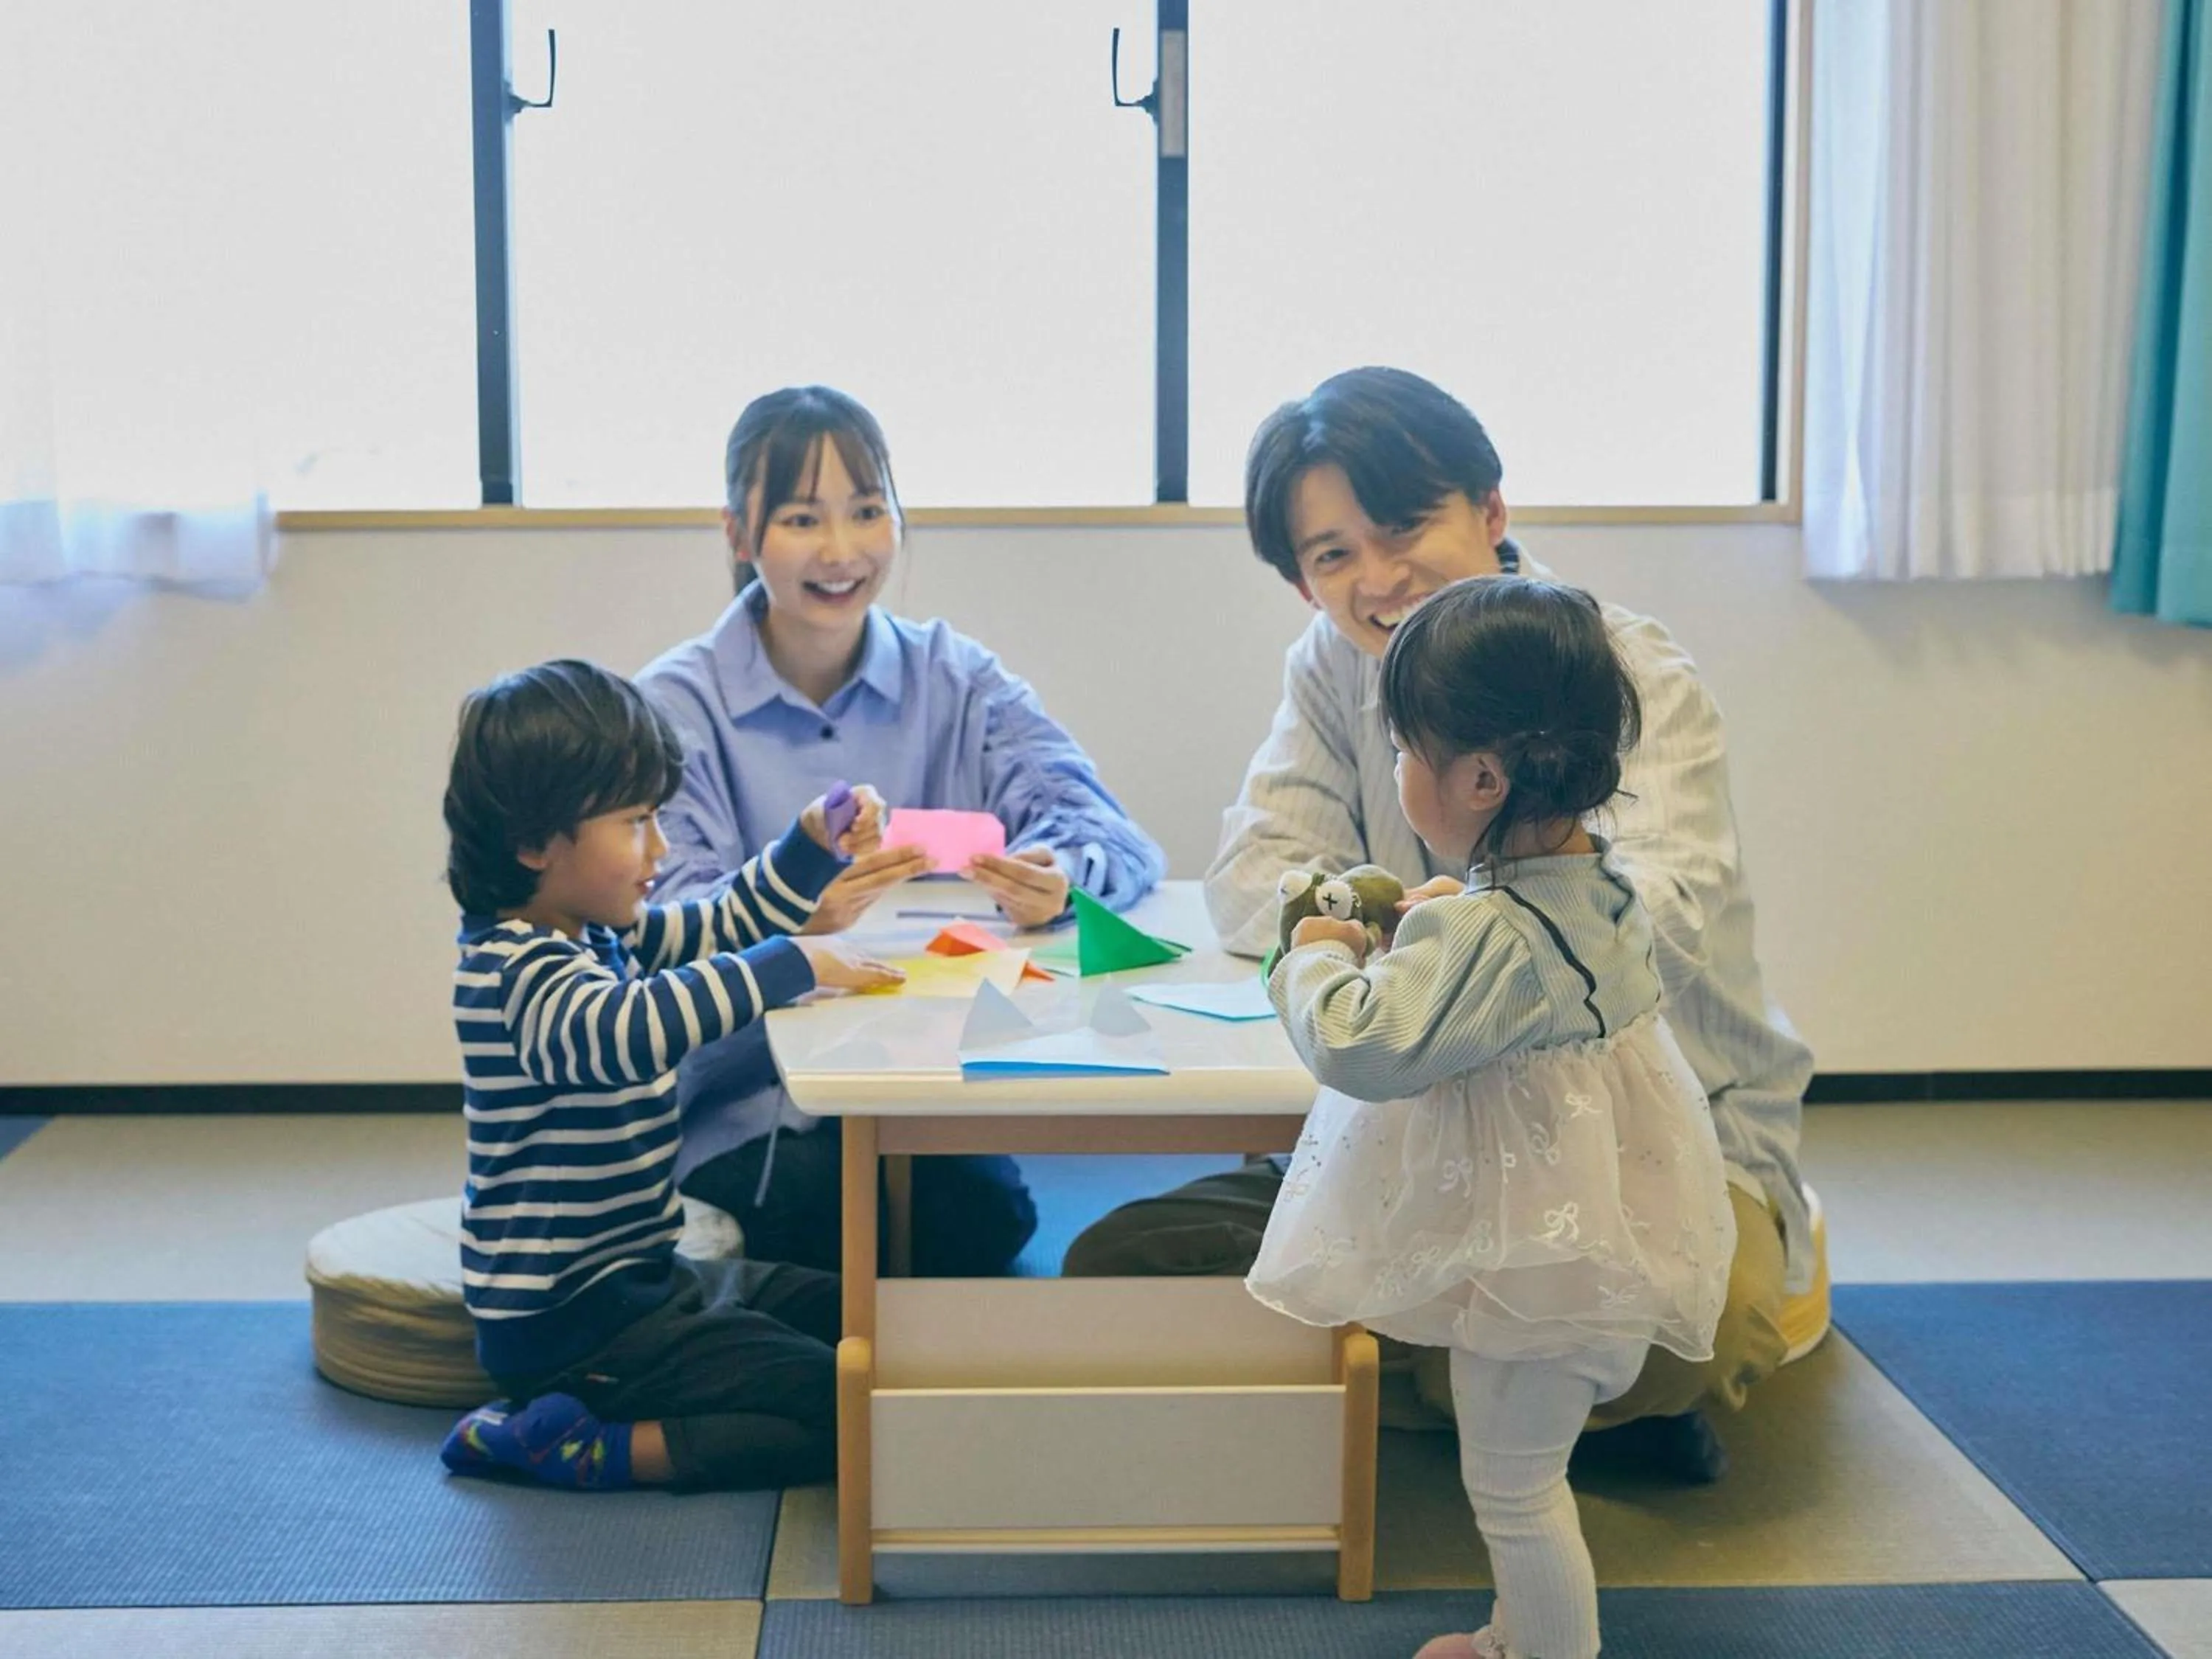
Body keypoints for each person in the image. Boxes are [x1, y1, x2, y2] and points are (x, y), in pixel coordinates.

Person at [1066, 367, 1824, 1484]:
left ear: (1493, 511)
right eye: (1331, 556)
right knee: (1106, 1268)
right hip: (1419, 1133)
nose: (1378, 579)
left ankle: (1419, 1369)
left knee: (1693, 1333)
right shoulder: (1337, 663)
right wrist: (1369, 919)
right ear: (1301, 582)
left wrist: (1455, 946)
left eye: (1405, 524)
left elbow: (1657, 916)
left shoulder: (1614, 668)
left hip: (1650, 1137)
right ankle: (1481, 1380)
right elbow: (1253, 874)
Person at [1252, 576, 1735, 1659]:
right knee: (1516, 1473)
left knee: (1517, 1491)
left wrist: (1314, 958)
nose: (1396, 769)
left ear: (1477, 775)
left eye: (1403, 750)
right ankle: (1516, 1636)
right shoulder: (1596, 884)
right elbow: (1519, 967)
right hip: (1574, 1241)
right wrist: (1447, 915)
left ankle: (1551, 1648)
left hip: (1541, 1263)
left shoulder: (1499, 935)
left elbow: (1364, 1047)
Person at [639, 386, 1166, 1276]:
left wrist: (1059, 875)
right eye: (803, 518)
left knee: (983, 1223)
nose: (842, 552)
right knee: (821, 1226)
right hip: (750, 1100)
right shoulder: (674, 705)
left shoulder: (955, 677)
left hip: (927, 1082)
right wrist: (789, 914)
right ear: (740, 535)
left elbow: (1111, 835)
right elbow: (656, 920)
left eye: (868, 511)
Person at [434, 658, 902, 1492]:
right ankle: (573, 1446)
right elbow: (625, 1030)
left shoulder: (595, 933)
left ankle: (608, 1417)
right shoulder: (513, 972)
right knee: (850, 1411)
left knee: (866, 1316)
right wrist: (792, 962)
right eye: (635, 823)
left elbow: (719, 924)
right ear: (535, 844)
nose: (661, 848)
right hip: (573, 1326)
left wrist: (807, 847)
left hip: (647, 1281)